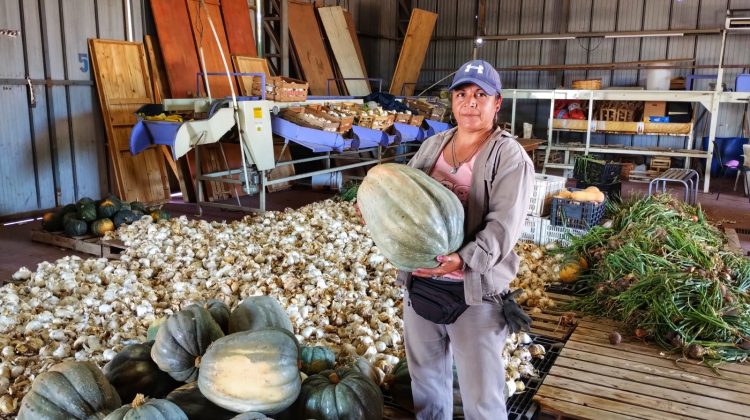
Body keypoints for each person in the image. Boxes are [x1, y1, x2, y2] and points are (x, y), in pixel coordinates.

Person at [397, 59, 535, 419]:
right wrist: (375, 209)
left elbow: (503, 227)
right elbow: (401, 195)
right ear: (453, 100)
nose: (470, 102)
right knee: (426, 386)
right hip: (422, 285)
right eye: (462, 94)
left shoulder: (509, 157)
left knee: (481, 399)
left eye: (480, 95)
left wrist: (463, 259)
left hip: (474, 294)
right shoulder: (433, 146)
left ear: (496, 102)